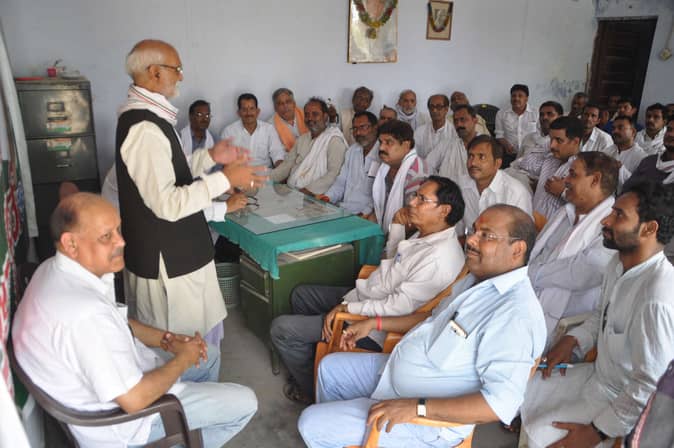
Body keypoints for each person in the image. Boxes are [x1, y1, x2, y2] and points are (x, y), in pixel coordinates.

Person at [12, 193, 257, 447]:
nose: (121, 241)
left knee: (209, 355)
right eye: (106, 236)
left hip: (127, 376)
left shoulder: (57, 269)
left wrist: (167, 340)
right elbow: (134, 400)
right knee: (245, 403)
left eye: (118, 230)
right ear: (71, 243)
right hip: (128, 423)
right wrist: (183, 359)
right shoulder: (84, 315)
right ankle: (179, 431)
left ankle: (189, 428)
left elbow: (121, 321)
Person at [298, 205, 546, 447]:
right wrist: (374, 323)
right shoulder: (475, 281)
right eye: (474, 231)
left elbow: (498, 405)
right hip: (397, 375)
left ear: (517, 249)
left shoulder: (515, 314)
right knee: (330, 369)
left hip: (428, 422)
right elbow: (432, 317)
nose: (471, 240)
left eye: (486, 236)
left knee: (311, 423)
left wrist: (417, 407)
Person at [115, 39, 266, 346]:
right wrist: (224, 179)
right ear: (155, 72)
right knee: (187, 349)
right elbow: (167, 203)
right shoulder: (144, 127)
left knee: (201, 337)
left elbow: (173, 171)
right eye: (177, 68)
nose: (181, 76)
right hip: (169, 263)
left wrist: (210, 157)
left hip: (181, 254)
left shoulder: (153, 119)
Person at [270, 177, 466, 403]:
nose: (412, 202)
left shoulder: (437, 258)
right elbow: (393, 262)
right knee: (301, 295)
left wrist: (348, 308)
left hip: (373, 325)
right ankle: (315, 356)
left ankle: (312, 389)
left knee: (281, 329)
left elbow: (399, 308)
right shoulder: (427, 235)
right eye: (415, 196)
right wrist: (397, 227)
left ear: (444, 210)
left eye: (422, 199)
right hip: (368, 297)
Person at [521, 181, 674, 448]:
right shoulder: (618, 263)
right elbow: (601, 315)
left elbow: (650, 384)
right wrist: (573, 339)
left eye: (619, 215)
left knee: (540, 438)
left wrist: (597, 431)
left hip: (622, 402)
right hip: (598, 377)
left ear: (649, 229)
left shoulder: (657, 296)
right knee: (522, 387)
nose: (606, 220)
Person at [528, 152, 619, 342]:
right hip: (528, 300)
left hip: (564, 324)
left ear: (595, 180)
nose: (566, 181)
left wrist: (529, 274)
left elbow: (582, 272)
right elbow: (537, 253)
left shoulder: (613, 225)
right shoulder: (565, 212)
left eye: (573, 174)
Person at [456, 135, 532, 236]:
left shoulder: (515, 193)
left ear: (497, 163)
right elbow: (457, 229)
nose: (473, 163)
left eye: (481, 157)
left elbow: (522, 237)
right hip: (470, 243)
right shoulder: (460, 185)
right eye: (471, 156)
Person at [271, 97, 348, 195]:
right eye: (307, 115)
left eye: (315, 114)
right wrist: (266, 179)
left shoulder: (334, 141)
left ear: (325, 117)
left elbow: (334, 174)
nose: (310, 118)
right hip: (293, 191)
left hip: (316, 197)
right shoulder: (302, 139)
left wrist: (307, 191)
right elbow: (286, 165)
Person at [624, 116, 674, 264]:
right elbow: (627, 190)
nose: (671, 134)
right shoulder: (649, 161)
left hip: (664, 245)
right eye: (669, 129)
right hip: (631, 229)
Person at [372, 120, 427, 233]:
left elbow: (414, 220)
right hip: (387, 232)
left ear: (406, 145)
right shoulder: (385, 167)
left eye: (389, 142)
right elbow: (379, 210)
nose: (381, 148)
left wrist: (390, 240)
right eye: (380, 142)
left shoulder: (416, 173)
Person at [321, 111, 380, 216]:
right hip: (344, 209)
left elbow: (381, 195)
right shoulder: (352, 151)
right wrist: (327, 197)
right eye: (355, 129)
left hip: (366, 215)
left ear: (375, 128)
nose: (358, 133)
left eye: (363, 127)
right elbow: (341, 182)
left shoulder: (382, 154)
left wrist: (364, 213)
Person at [531, 116, 584, 221]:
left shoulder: (584, 169)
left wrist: (563, 192)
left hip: (553, 228)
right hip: (532, 221)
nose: (552, 145)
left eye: (559, 140)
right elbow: (525, 163)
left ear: (575, 142)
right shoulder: (549, 159)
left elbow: (588, 205)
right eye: (551, 139)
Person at [507, 101, 564, 190]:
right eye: (541, 114)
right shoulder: (529, 137)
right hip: (511, 174)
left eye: (550, 114)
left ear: (560, 117)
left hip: (532, 185)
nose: (544, 117)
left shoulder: (561, 144)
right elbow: (517, 160)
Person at [221, 93, 286, 168]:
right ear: (239, 113)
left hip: (265, 172)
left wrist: (280, 170)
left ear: (258, 111)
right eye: (244, 109)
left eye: (252, 108)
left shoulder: (268, 129)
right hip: (239, 173)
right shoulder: (228, 131)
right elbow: (224, 159)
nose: (248, 113)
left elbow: (277, 153)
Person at [424, 104, 479, 180]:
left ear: (475, 120)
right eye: (455, 121)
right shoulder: (446, 144)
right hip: (446, 187)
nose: (458, 124)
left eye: (463, 120)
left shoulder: (486, 146)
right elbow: (426, 166)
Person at [495, 84, 538, 166]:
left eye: (520, 96)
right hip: (509, 154)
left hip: (530, 155)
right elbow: (499, 135)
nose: (516, 98)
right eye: (513, 96)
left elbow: (541, 135)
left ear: (526, 98)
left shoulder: (536, 113)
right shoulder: (501, 113)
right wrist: (506, 145)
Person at [413, 94, 456, 158]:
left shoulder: (454, 132)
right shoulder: (420, 131)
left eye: (439, 107)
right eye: (431, 107)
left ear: (446, 109)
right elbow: (414, 154)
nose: (434, 110)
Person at [269, 87, 309, 152]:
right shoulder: (270, 126)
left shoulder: (306, 114)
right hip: (289, 156)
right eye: (280, 103)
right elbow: (277, 151)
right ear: (275, 108)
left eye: (288, 102)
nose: (285, 106)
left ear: (294, 104)